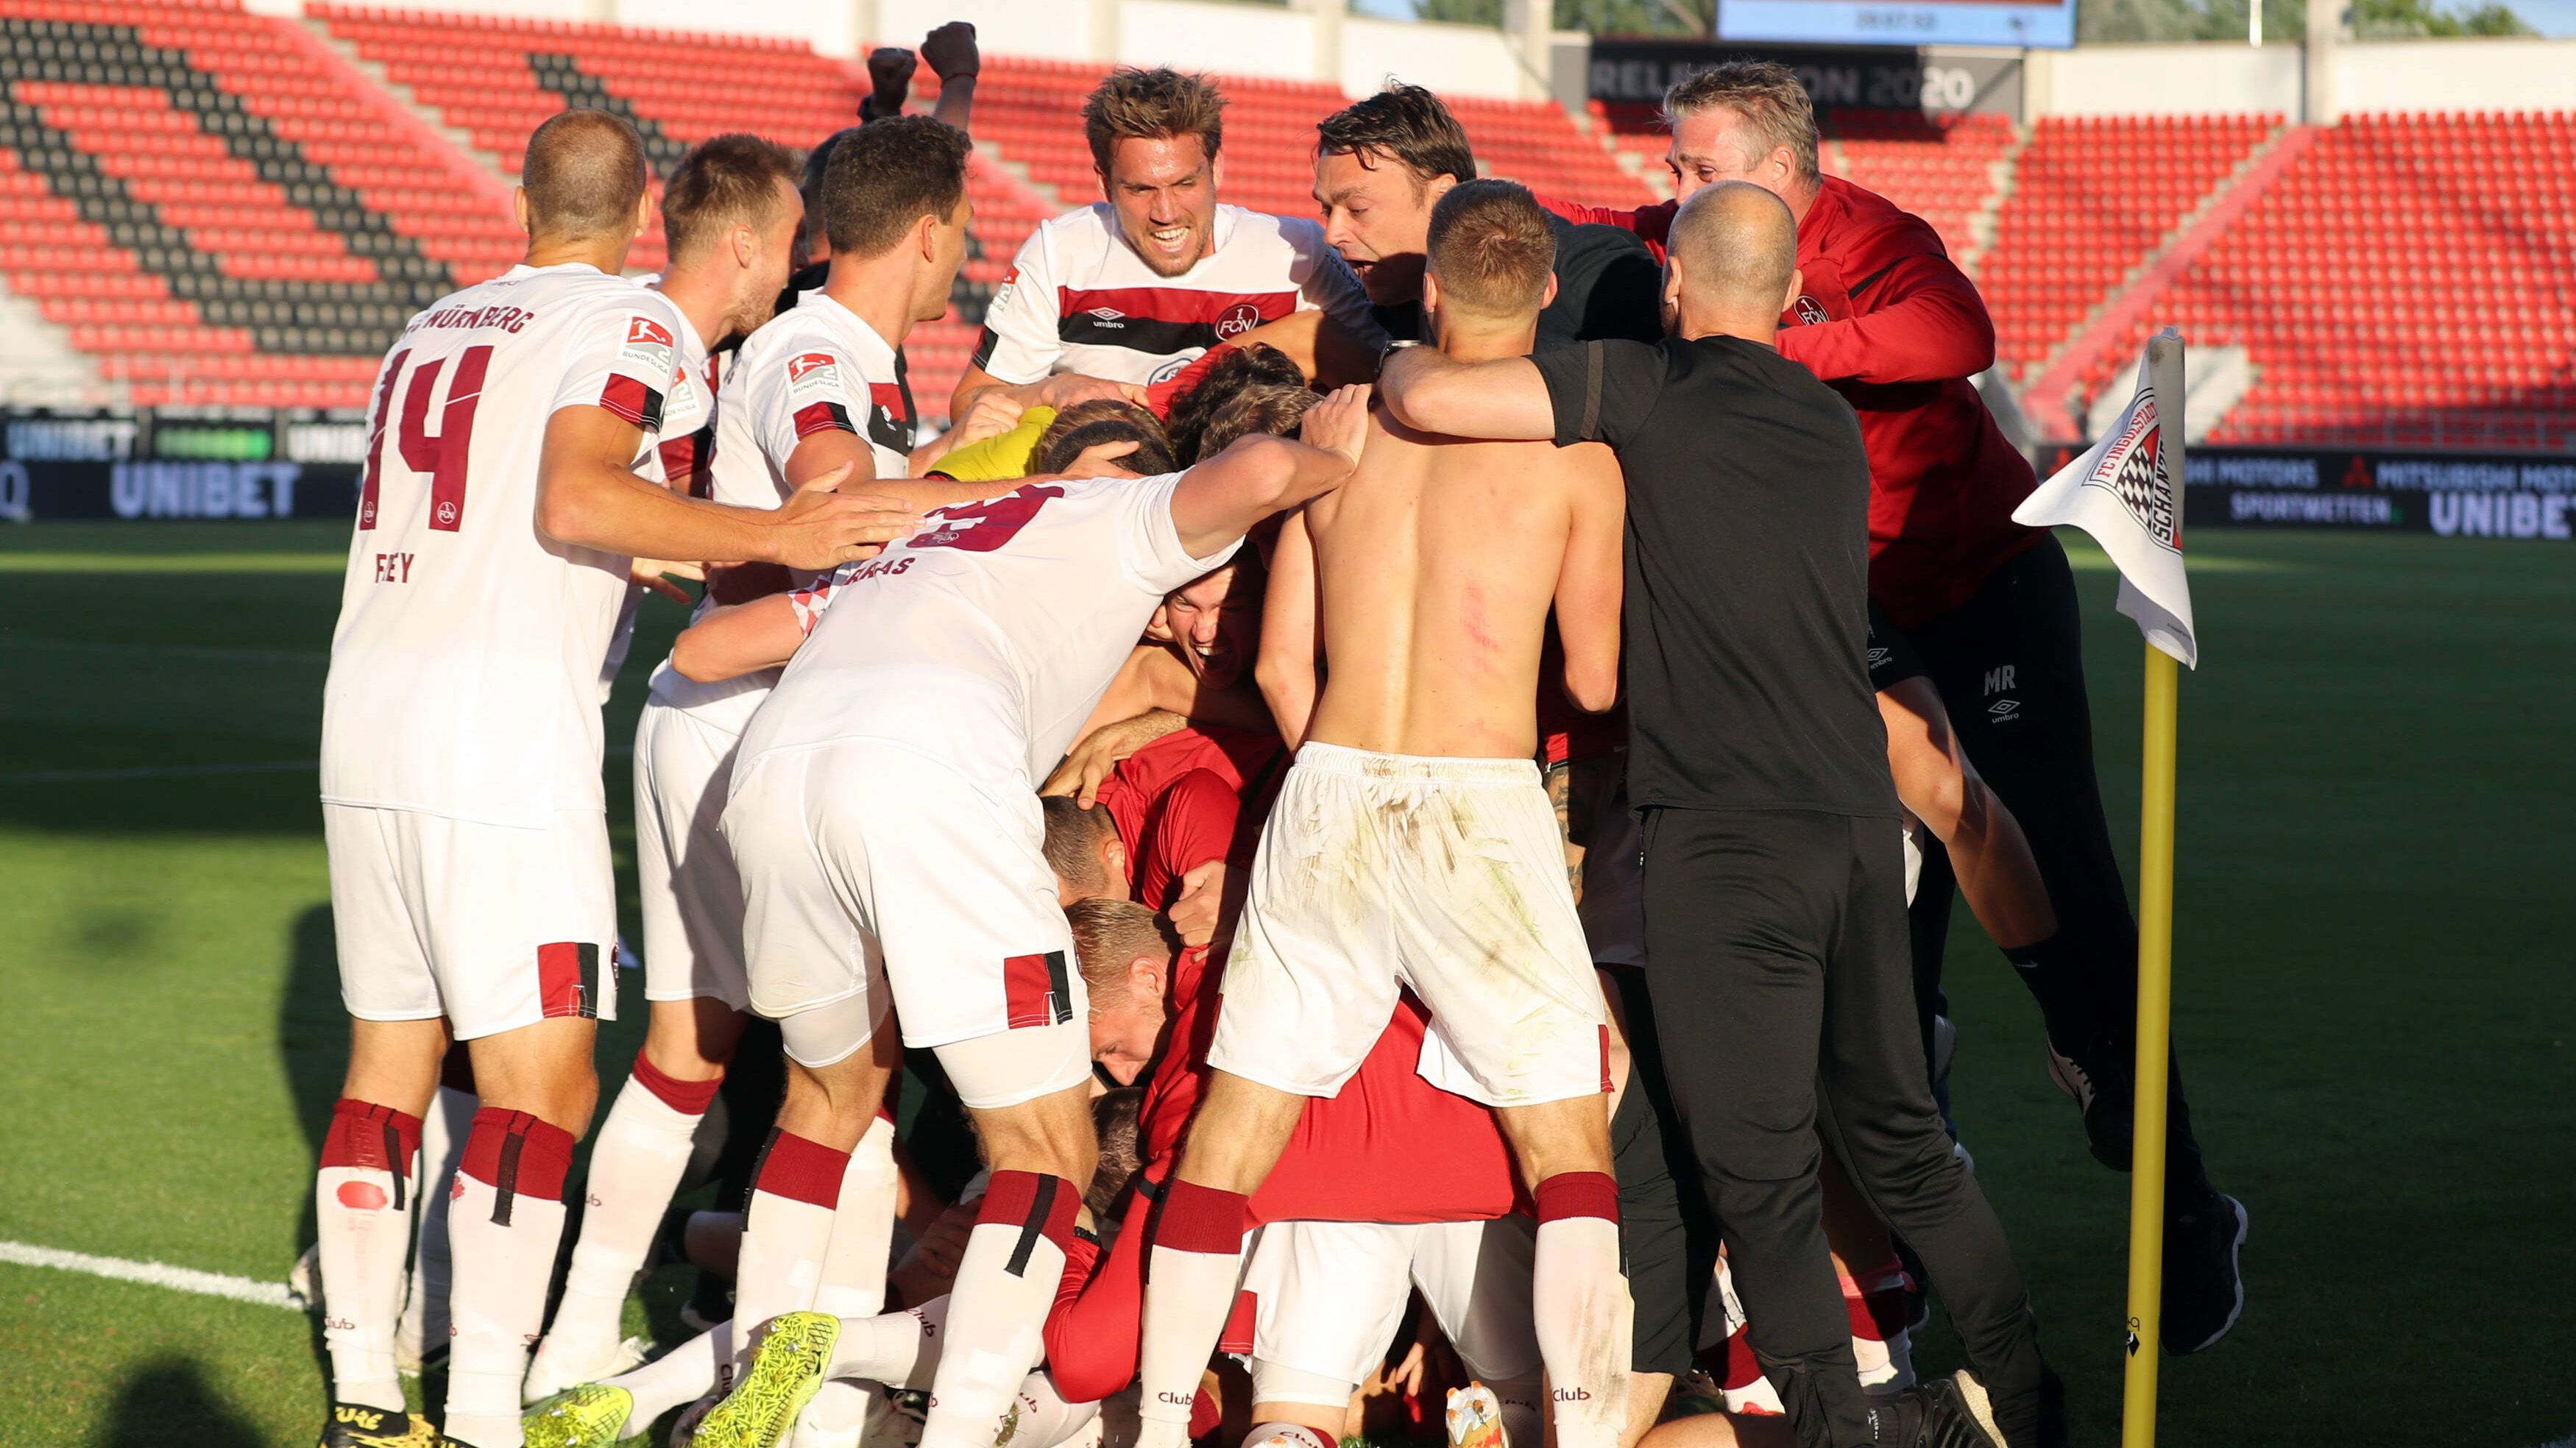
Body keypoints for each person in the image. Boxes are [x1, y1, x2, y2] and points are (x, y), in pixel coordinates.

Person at [1546, 64, 2246, 1349]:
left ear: (1783, 167)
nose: (1675, 193)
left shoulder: (1876, 235)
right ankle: (1908, 1264)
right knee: (1880, 924)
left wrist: (1766, 343)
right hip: (1846, 614)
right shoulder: (1675, 248)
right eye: (1675, 169)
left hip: (1983, 582)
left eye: (1699, 170)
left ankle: (2180, 1192)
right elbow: (1559, 244)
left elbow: (1956, 336)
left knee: (2072, 875)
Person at [1375, 180, 2064, 1448]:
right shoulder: (1824, 421)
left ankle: (1837, 1432)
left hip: (1723, 843)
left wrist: (1395, 348)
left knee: (1763, 1182)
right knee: (1907, 1145)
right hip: (1856, 829)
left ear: (1680, 286)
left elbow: (1429, 398)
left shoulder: (1647, 384)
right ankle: (2030, 1402)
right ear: (1792, 298)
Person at [311, 108, 911, 1448]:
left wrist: (698, 554)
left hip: (368, 722)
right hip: (501, 738)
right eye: (784, 256)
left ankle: (363, 1392)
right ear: (653, 212)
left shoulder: (436, 325)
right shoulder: (635, 330)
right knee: (544, 1086)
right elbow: (576, 501)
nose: (784, 280)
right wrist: (781, 529)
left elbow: (544, 520)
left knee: (384, 1068)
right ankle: (478, 1414)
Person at [651, 388, 1373, 1448]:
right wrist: (1328, 454)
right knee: (1044, 1149)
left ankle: (767, 1364)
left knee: (826, 1100)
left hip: (777, 777)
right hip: (930, 776)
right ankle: (963, 1427)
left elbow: (706, 656)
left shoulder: (926, 528)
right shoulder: (1111, 517)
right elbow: (1260, 477)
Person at [1132, 180, 1630, 1448]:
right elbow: (1595, 676)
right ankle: (1577, 1428)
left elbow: (1284, 672)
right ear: (1548, 295)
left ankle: (1152, 1418)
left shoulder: (1336, 436)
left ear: (1438, 289)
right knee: (1564, 1140)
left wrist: (1349, 769)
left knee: (1234, 1133)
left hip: (1334, 784)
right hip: (1480, 798)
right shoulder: (1576, 457)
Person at [952, 66, 1379, 414]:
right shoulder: (1058, 254)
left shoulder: (1299, 253)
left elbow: (1382, 375)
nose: (1166, 212)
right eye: (1141, 190)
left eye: (1184, 184)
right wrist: (1053, 390)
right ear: (1105, 184)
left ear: (1216, 170)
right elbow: (969, 404)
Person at [1312, 84, 1661, 349]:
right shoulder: (1391, 290)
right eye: (1327, 210)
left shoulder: (1584, 271)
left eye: (1358, 209)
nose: (1333, 234)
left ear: (1441, 196)